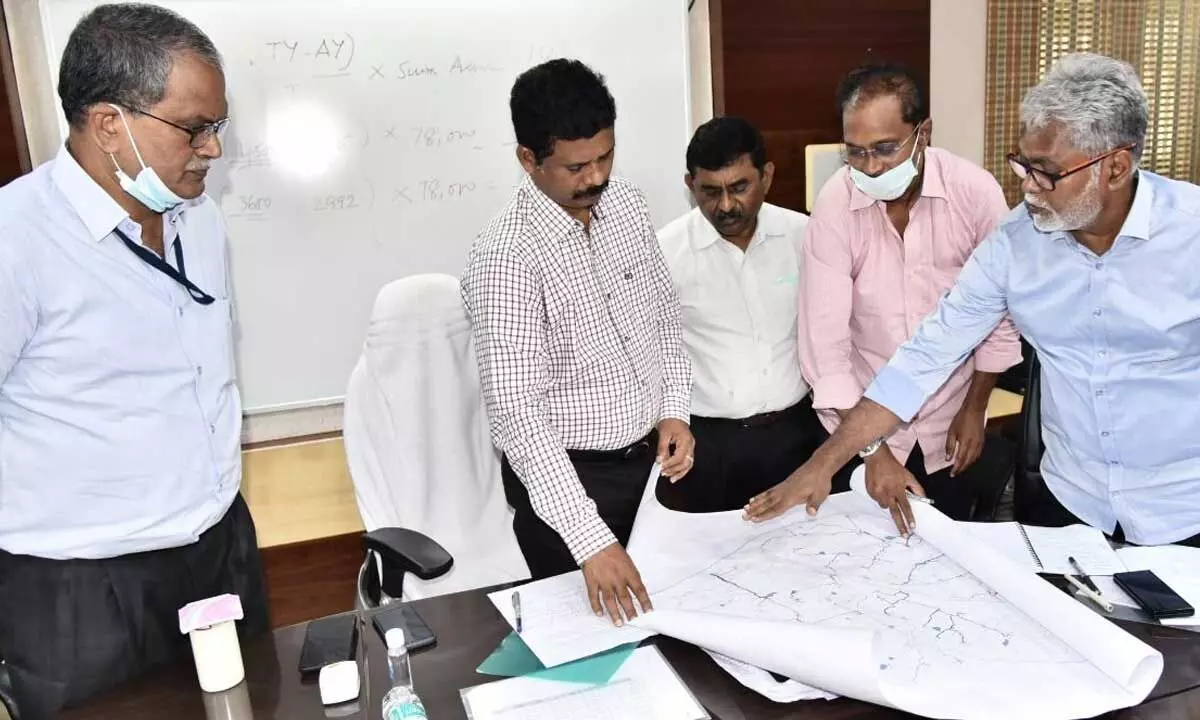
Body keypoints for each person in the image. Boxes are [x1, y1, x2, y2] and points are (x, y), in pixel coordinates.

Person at [746, 52, 1200, 548]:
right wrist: (823, 465)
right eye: (1023, 165)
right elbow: (923, 358)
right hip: (1071, 501)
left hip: (1183, 506)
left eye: (1045, 172)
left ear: (1114, 167)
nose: (1026, 188)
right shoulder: (1015, 244)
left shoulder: (1191, 235)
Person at [0, 5, 268, 717]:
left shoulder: (199, 220)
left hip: (219, 548)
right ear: (109, 123)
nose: (212, 149)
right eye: (193, 127)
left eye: (218, 125)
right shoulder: (15, 240)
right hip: (82, 588)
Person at [461, 59, 694, 626]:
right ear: (528, 160)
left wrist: (674, 410)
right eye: (576, 166)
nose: (596, 178)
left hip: (650, 471)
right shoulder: (507, 257)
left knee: (675, 635)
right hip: (569, 488)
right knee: (593, 652)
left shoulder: (627, 206)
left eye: (606, 157)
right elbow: (519, 417)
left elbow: (664, 318)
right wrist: (590, 541)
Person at [798, 62, 1022, 521]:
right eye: (855, 153)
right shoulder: (836, 203)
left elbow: (999, 314)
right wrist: (872, 451)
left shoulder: (974, 194)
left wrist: (975, 407)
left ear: (924, 132)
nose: (871, 167)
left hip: (950, 420)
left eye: (884, 148)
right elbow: (827, 349)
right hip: (859, 425)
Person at [656, 116, 822, 512]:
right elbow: (655, 353)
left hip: (797, 436)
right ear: (689, 186)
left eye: (739, 187)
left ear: (766, 175)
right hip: (709, 449)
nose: (726, 205)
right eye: (710, 192)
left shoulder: (804, 236)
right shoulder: (663, 253)